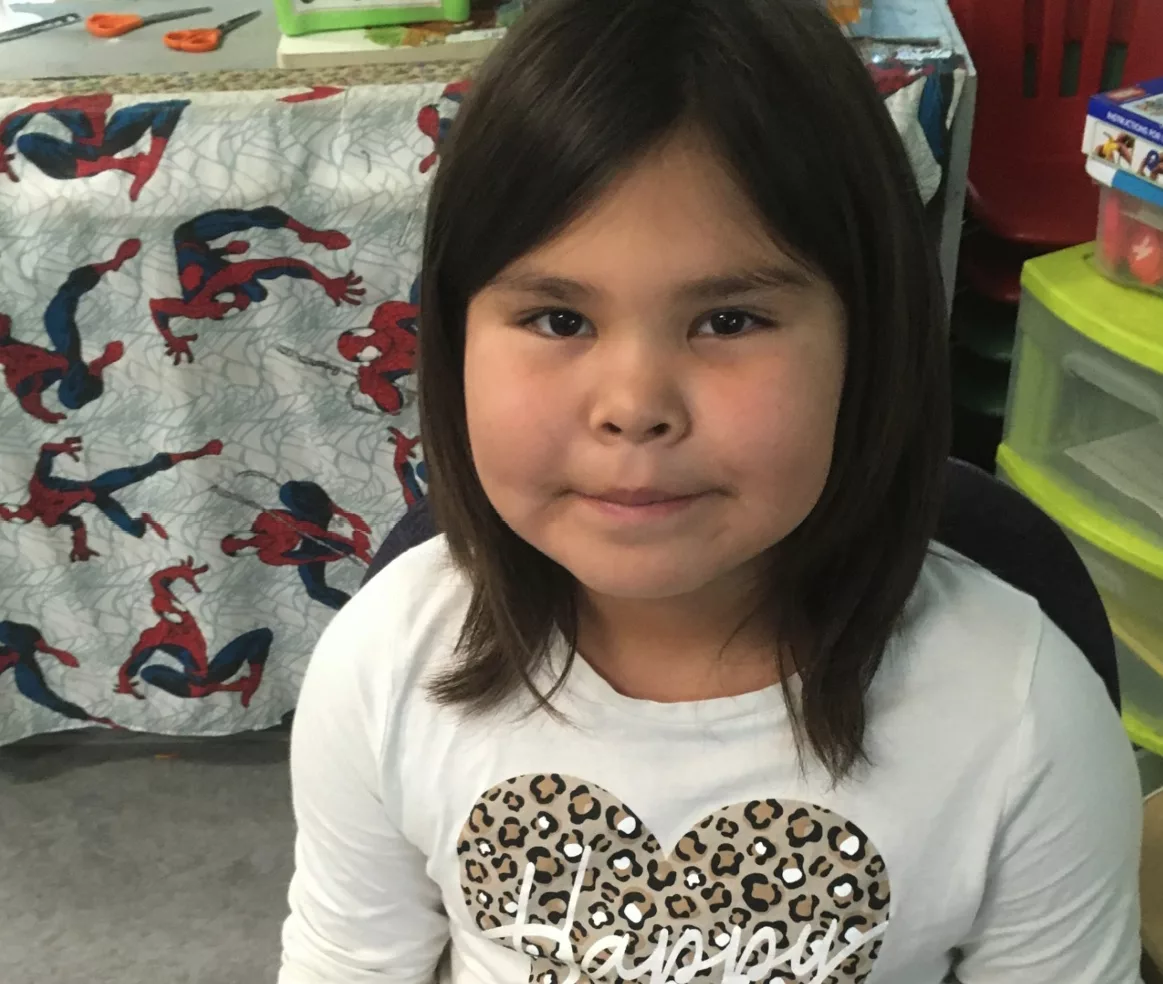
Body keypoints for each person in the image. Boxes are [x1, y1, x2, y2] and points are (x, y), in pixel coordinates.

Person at [279, 1, 1143, 982]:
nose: (634, 406)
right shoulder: (384, 665)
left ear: (867, 346)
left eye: (728, 319)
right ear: (455, 341)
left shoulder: (1019, 717)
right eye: (557, 319)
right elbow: (348, 960)